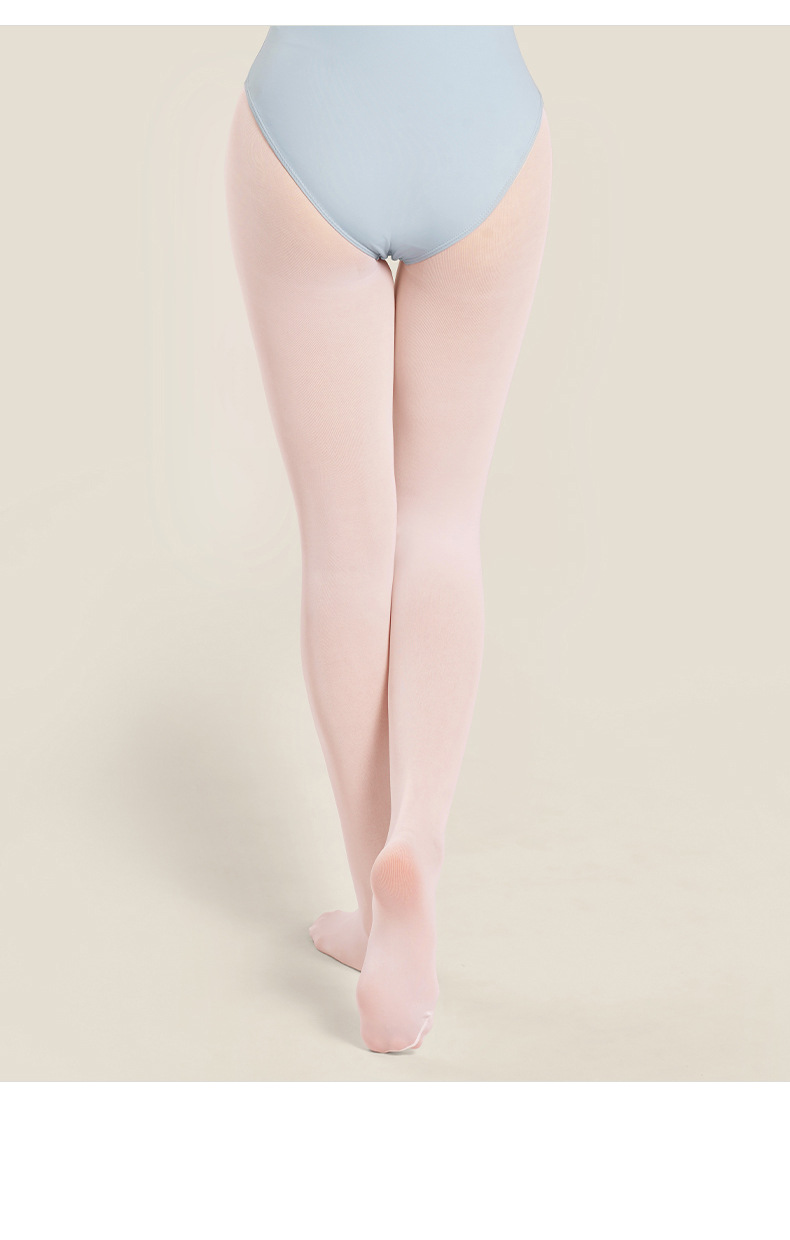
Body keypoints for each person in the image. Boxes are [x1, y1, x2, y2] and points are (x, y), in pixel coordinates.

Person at [224, 25, 553, 1053]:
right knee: (443, 525)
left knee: (346, 548)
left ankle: (379, 911)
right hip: (484, 122)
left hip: (311, 117)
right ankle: (418, 840)